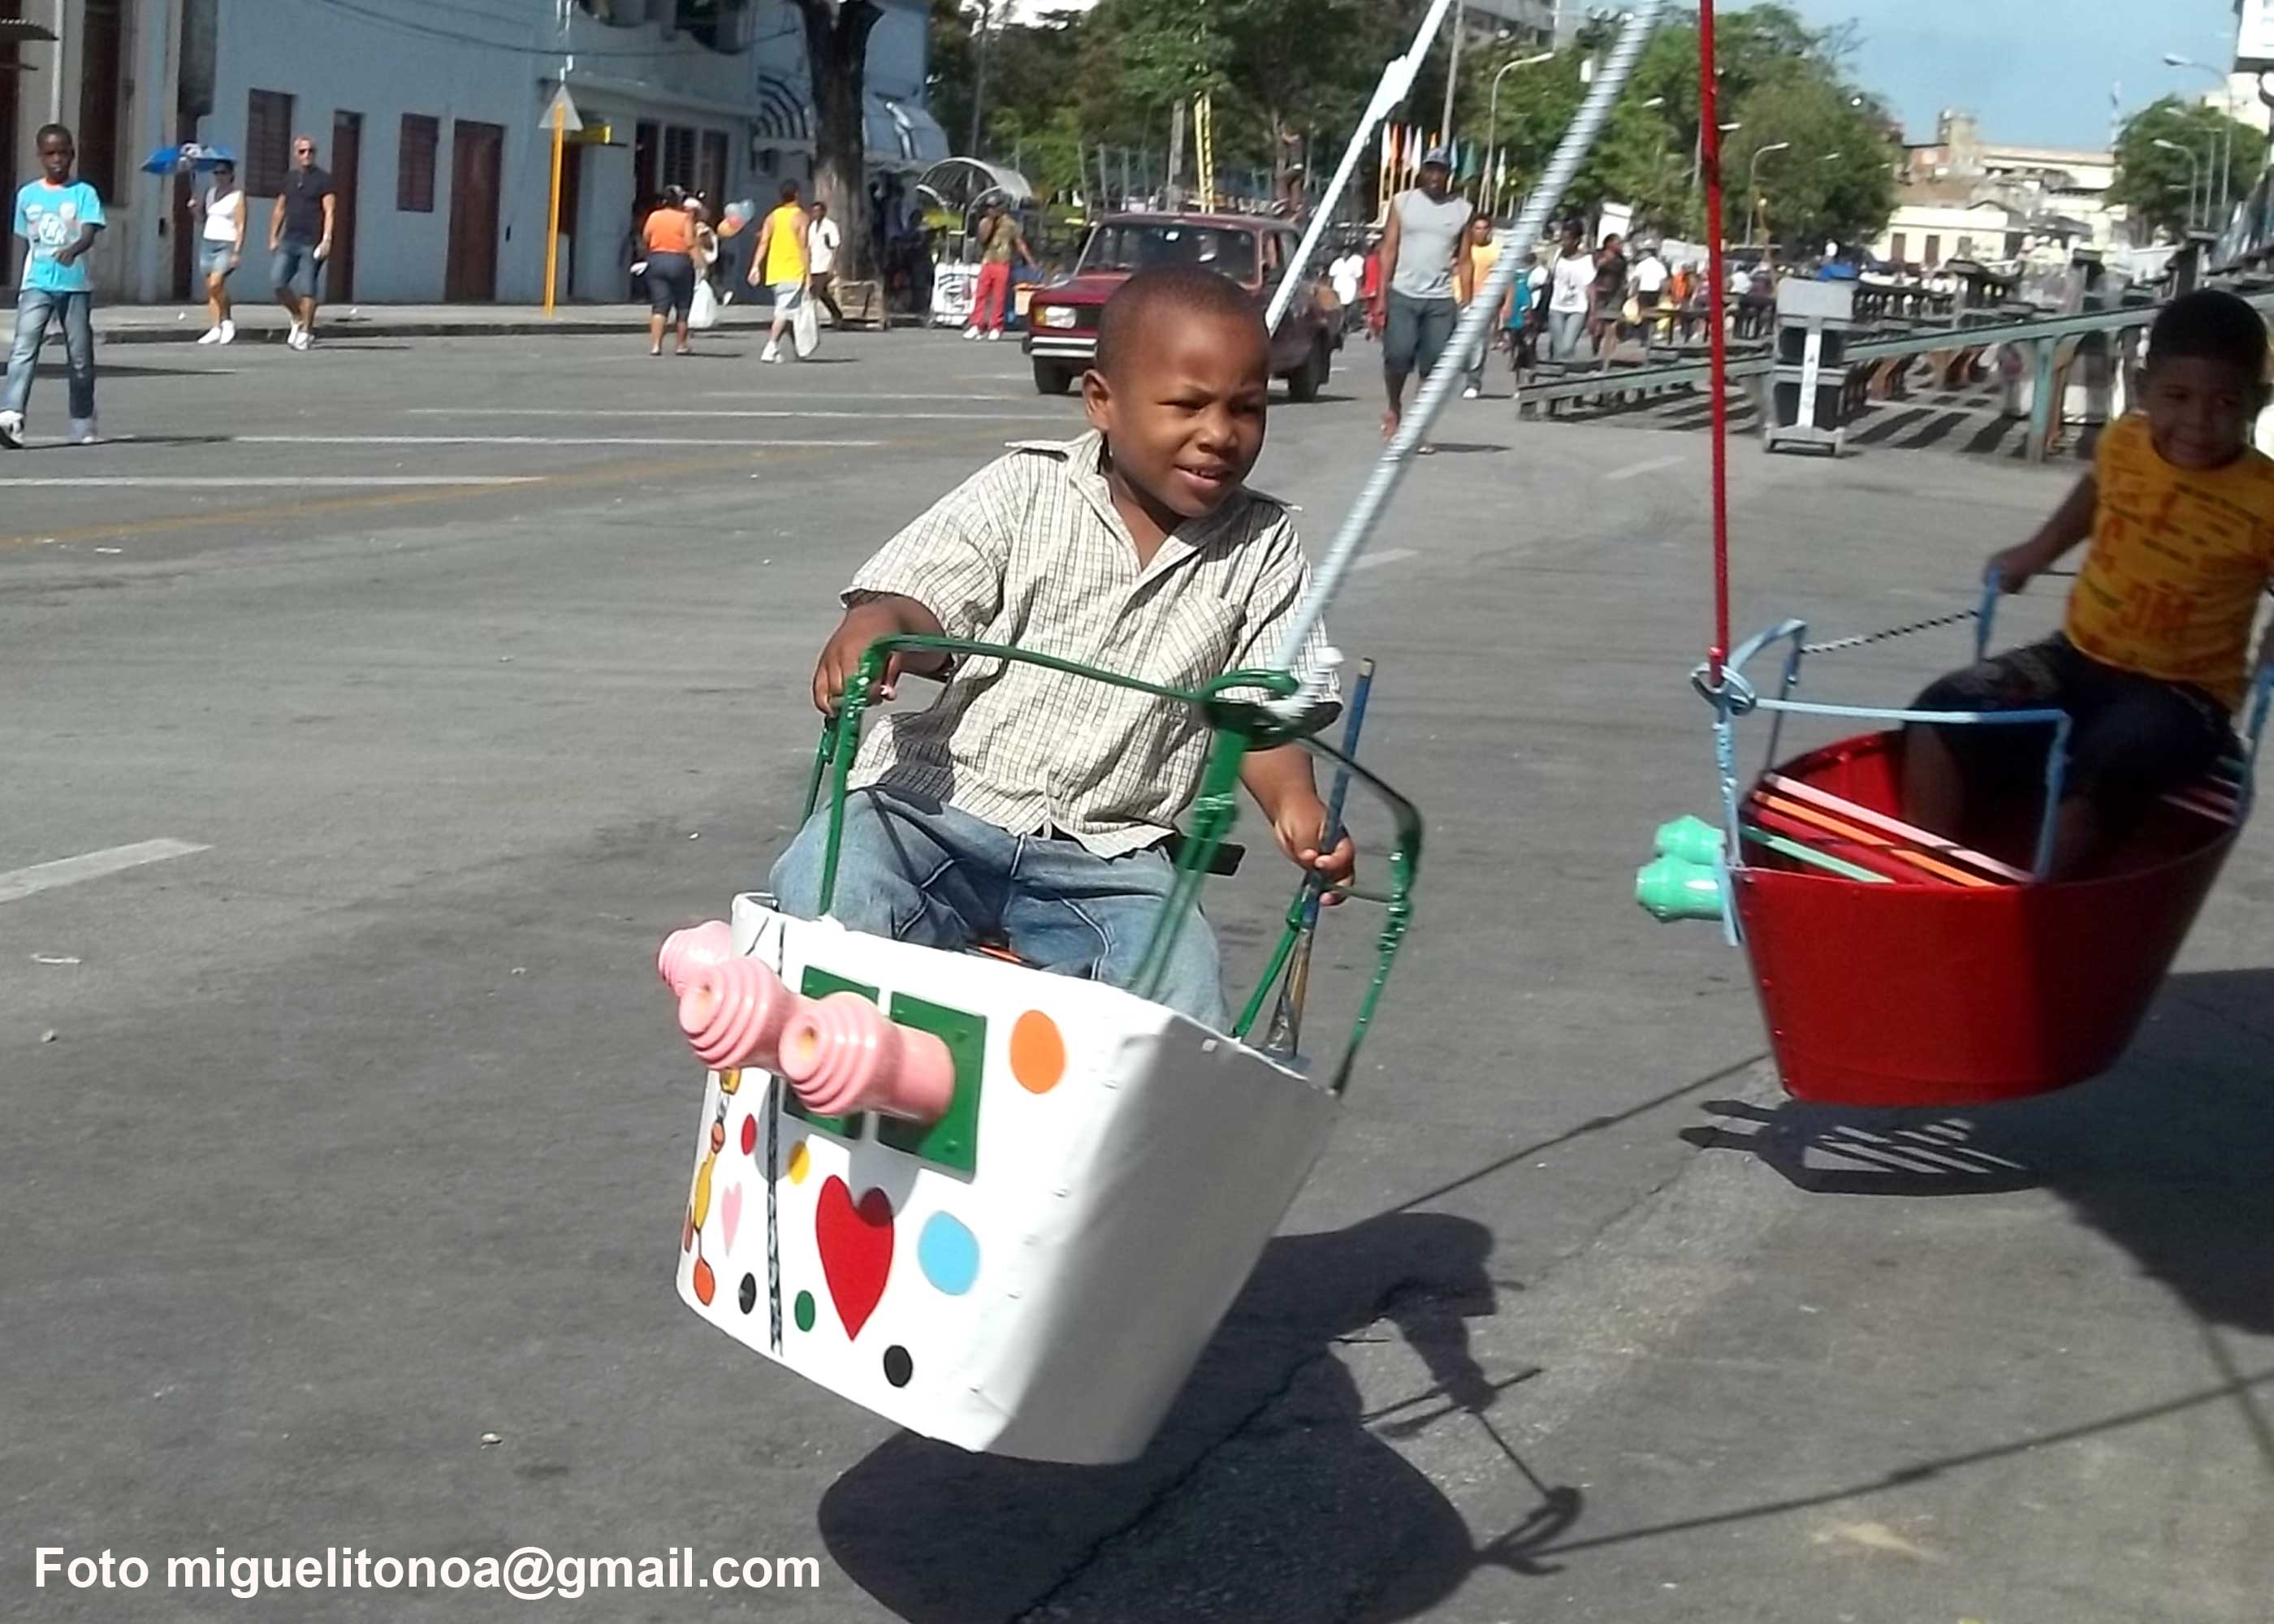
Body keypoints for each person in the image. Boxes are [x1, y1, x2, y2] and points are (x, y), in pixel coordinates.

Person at [767, 267, 1354, 1030]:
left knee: (1178, 986)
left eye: (1246, 409)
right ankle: (842, 1068)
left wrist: (1296, 805)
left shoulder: (1264, 546)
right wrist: (882, 629)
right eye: (1187, 406)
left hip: (1113, 858)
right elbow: (926, 598)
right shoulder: (1025, 488)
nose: (1219, 434)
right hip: (938, 810)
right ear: (1102, 402)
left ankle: (1117, 1140)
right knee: (829, 881)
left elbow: (1261, 715)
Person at [1901, 290, 2274, 879]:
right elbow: (2096, 493)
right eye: (2177, 397)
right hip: (2076, 658)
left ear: (2258, 401)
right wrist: (2038, 549)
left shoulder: (2265, 495)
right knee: (1940, 715)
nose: (2199, 422)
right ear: (2143, 387)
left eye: (2225, 402)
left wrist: (2263, 667)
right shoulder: (2125, 442)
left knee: (2103, 767)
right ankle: (1938, 878)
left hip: (2185, 697)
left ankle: (2033, 905)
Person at [2, 123, 104, 449]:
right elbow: (27, 241)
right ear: (40, 157)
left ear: (72, 154)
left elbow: (89, 232)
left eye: (63, 153)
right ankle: (11, 416)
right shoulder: (27, 195)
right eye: (50, 154)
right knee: (23, 349)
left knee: (78, 356)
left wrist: (73, 250)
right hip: (37, 283)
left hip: (74, 285)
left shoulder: (84, 193)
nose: (57, 159)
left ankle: (82, 419)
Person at [1373, 146, 1473, 445]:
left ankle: (1416, 428)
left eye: (1440, 171)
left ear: (1448, 175)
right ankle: (1394, 407)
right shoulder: (1403, 203)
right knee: (1398, 356)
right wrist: (1381, 294)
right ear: (1422, 172)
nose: (1434, 176)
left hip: (1440, 299)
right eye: (1429, 169)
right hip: (1404, 293)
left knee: (1433, 365)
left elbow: (1465, 259)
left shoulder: (1462, 210)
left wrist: (1467, 303)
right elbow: (1388, 249)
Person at [267, 133, 334, 352]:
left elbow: (330, 211)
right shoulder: (289, 178)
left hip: (311, 241)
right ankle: (297, 317)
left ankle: (306, 332)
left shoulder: (324, 179)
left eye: (311, 151)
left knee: (308, 289)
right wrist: (273, 236)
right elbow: (280, 208)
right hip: (290, 239)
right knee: (278, 281)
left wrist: (326, 240)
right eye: (302, 151)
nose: (307, 155)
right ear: (296, 154)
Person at [748, 179, 811, 365]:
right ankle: (771, 345)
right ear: (797, 195)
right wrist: (808, 273)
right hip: (794, 269)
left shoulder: (773, 216)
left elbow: (763, 242)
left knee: (790, 310)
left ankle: (799, 348)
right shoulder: (801, 216)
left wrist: (755, 266)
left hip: (775, 270)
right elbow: (804, 245)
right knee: (784, 312)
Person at [191, 157, 245, 345]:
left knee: (216, 284)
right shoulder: (210, 193)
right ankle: (215, 327)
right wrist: (194, 209)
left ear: (231, 175)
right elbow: (202, 220)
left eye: (223, 173)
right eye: (216, 173)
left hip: (226, 243)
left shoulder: (237, 196)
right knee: (210, 289)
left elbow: (241, 224)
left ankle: (227, 320)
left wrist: (237, 251)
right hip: (208, 241)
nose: (219, 177)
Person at [641, 187, 698, 356]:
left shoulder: (654, 216)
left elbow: (646, 237)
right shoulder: (685, 219)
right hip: (680, 261)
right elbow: (689, 242)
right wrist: (700, 262)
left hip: (657, 259)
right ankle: (681, 345)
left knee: (659, 306)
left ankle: (656, 346)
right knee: (682, 305)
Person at [964, 198, 1032, 342]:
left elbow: (1019, 242)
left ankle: (996, 326)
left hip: (1003, 262)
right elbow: (982, 239)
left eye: (994, 207)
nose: (991, 210)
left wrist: (1030, 261)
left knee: (999, 297)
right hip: (988, 260)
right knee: (981, 294)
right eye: (989, 207)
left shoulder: (1010, 224)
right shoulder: (985, 222)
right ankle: (977, 324)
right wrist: (990, 222)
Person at [1459, 214, 1502, 400]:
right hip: (1459, 299)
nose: (1481, 232)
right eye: (1477, 228)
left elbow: (1504, 278)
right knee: (1458, 344)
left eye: (1485, 228)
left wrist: (1505, 303)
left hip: (1484, 302)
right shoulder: (1464, 248)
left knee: (1478, 345)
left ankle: (1473, 382)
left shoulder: (1496, 250)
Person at [1545, 223, 1593, 363]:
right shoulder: (1556, 257)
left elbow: (1590, 287)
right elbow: (1549, 279)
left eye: (1567, 239)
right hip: (1556, 308)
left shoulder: (1586, 261)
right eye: (1562, 239)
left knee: (1568, 346)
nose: (1564, 243)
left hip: (1577, 309)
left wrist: (1593, 312)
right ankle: (1556, 376)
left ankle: (1564, 378)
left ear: (1576, 241)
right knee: (1558, 347)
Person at [1589, 231, 1628, 358]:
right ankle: (1595, 349)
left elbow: (1623, 276)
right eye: (1618, 243)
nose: (1621, 246)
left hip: (1615, 294)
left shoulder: (1622, 259)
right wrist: (1606, 259)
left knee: (1612, 324)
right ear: (1609, 243)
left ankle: (1607, 356)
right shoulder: (1598, 254)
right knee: (1597, 326)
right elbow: (1594, 268)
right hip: (1599, 293)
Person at [807, 199, 845, 327]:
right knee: (818, 292)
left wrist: (832, 265)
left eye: (818, 211)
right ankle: (835, 314)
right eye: (814, 211)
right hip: (813, 265)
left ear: (824, 212)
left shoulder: (830, 226)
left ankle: (836, 315)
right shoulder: (812, 227)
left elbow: (835, 247)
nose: (816, 213)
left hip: (825, 264)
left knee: (819, 292)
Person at [1630, 240, 1668, 352]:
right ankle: (1650, 336)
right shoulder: (1660, 265)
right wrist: (1663, 294)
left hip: (1643, 292)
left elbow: (1636, 280)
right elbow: (1663, 282)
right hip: (1655, 293)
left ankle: (1644, 338)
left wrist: (1632, 293)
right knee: (1653, 314)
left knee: (1642, 315)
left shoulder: (1641, 265)